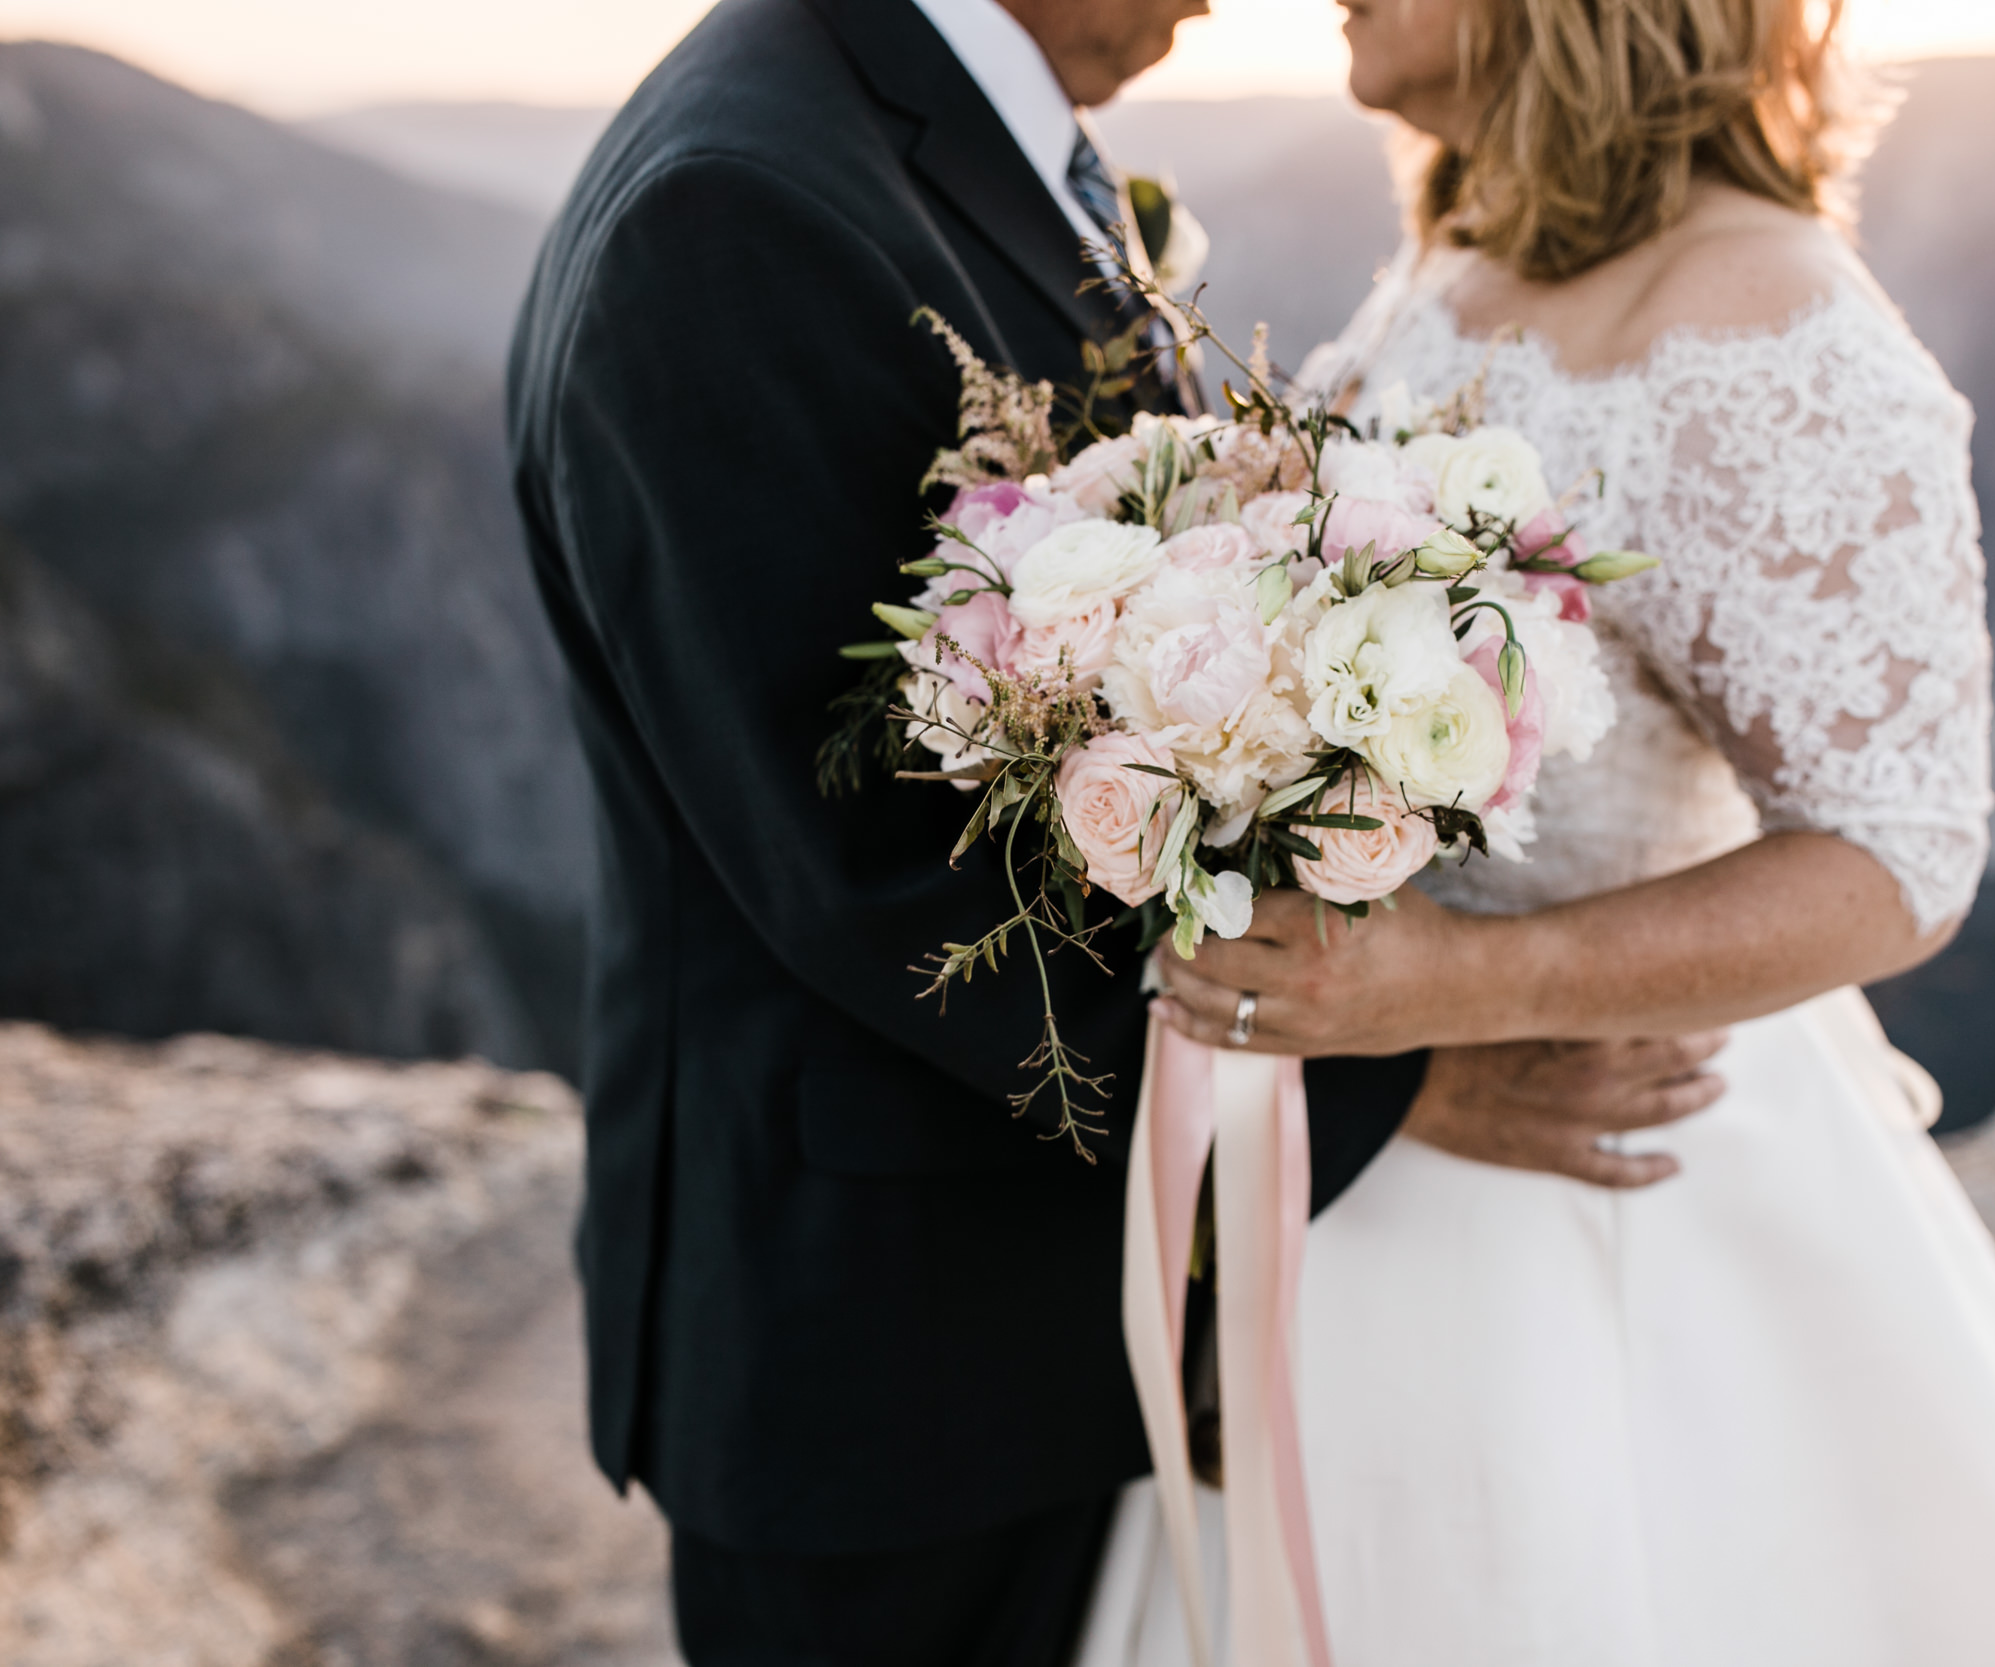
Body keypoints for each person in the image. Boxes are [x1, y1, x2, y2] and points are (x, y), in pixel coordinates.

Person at [505, 1, 1728, 1661]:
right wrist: (1402, 1062)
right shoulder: (737, 204)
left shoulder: (916, 129)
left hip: (1029, 1316)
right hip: (888, 1361)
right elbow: (872, 870)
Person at [1096, 0, 1995, 1661]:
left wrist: (1454, 996)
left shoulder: (1769, 322)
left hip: (1613, 1181)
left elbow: (1898, 854)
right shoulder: (1464, 245)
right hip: (1374, 1163)